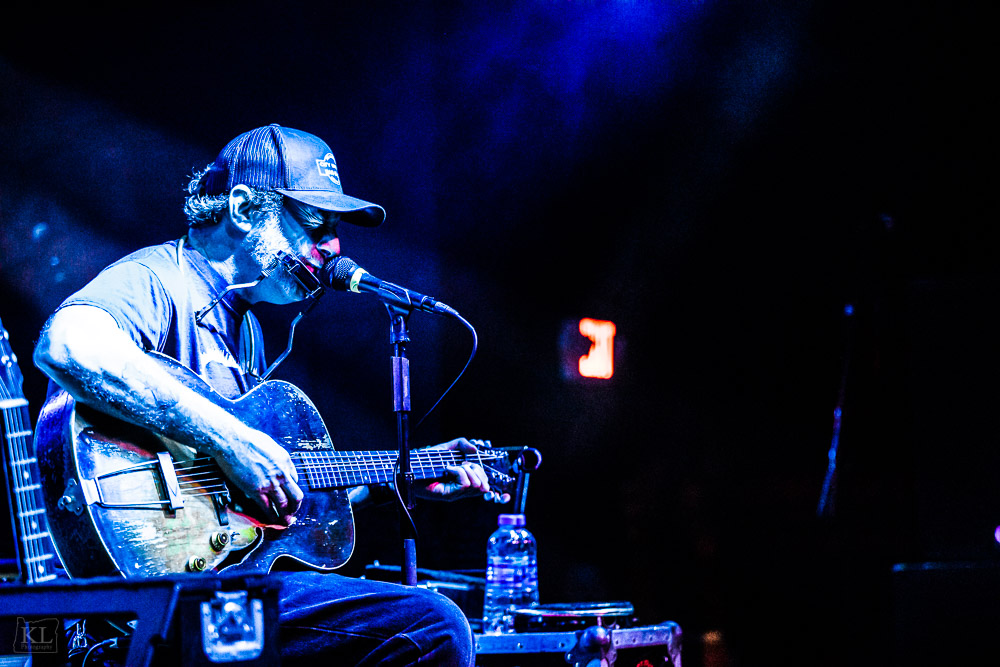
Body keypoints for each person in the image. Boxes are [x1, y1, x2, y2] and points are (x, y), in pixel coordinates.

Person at [33, 123, 503, 665]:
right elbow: (67, 343)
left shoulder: (246, 329)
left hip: (216, 589)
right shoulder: (159, 279)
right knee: (432, 627)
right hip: (151, 595)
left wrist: (397, 480)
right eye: (314, 224)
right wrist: (230, 440)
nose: (332, 248)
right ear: (241, 208)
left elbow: (251, 502)